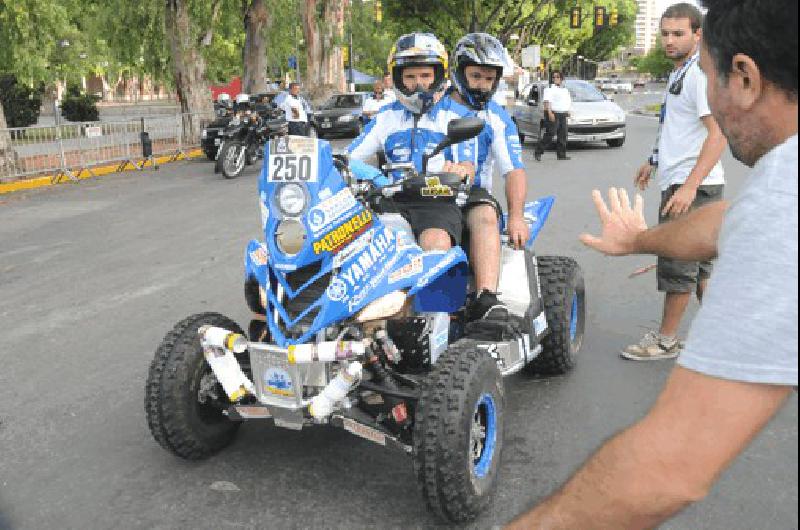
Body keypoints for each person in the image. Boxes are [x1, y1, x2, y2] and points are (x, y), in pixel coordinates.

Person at [507, 0, 797, 526]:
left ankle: (669, 335)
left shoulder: (788, 197)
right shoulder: (773, 201)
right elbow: (729, 222)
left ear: (746, 78)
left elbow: (670, 468)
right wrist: (640, 239)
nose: (710, 94)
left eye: (713, 77)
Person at [624, 3, 728, 361]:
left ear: (697, 35)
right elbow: (674, 125)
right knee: (700, 270)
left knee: (678, 266)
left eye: (678, 34)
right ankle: (731, 339)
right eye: (665, 33)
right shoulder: (680, 73)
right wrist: (652, 160)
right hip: (687, 181)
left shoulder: (699, 74)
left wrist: (688, 186)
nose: (669, 40)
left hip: (692, 186)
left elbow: (718, 134)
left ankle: (667, 340)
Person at [348, 32, 476, 252]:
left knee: (436, 243)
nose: (419, 84)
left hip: (437, 203)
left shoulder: (456, 116)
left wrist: (460, 170)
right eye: (410, 77)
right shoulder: (385, 117)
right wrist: (374, 177)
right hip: (389, 199)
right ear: (398, 78)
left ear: (438, 76)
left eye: (426, 75)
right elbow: (349, 158)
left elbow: (468, 166)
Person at [446, 32, 530, 321]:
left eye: (489, 78)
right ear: (459, 73)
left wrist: (516, 216)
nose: (483, 85)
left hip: (473, 196)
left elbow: (514, 169)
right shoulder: (431, 109)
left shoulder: (497, 117)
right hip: (427, 194)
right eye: (476, 76)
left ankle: (486, 298)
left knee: (484, 216)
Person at [534, 70, 572, 161]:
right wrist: (550, 113)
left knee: (563, 134)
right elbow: (547, 102)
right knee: (551, 133)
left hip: (563, 113)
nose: (555, 79)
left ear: (561, 78)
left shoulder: (565, 90)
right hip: (553, 113)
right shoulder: (549, 89)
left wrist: (569, 110)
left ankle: (561, 154)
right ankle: (538, 151)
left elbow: (567, 101)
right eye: (554, 77)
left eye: (557, 77)